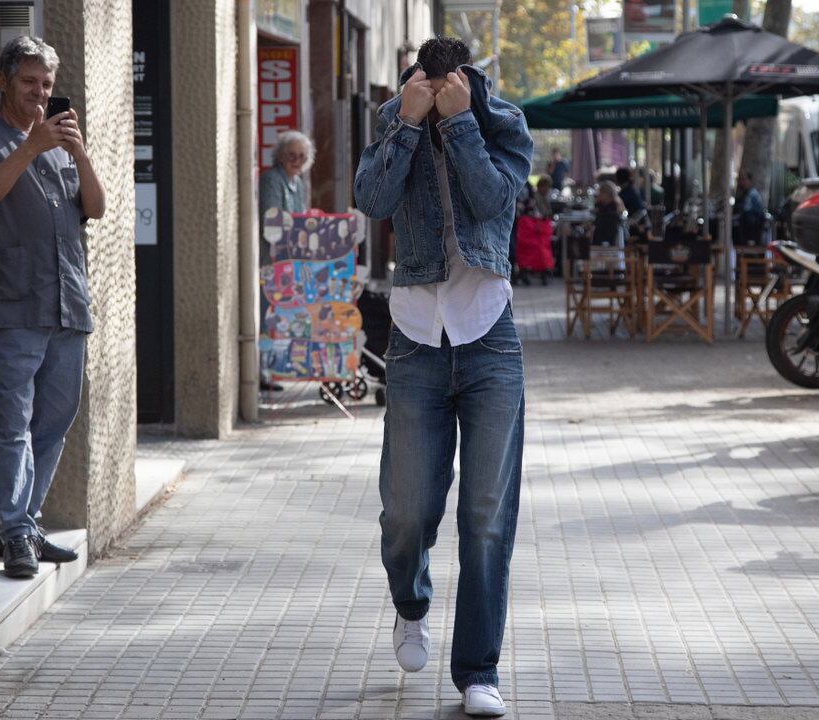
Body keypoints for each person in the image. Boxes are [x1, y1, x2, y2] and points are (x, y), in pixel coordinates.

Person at [354, 36, 533, 717]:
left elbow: (492, 201)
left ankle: (479, 671)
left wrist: (459, 123)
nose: (435, 90)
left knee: (486, 516)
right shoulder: (392, 117)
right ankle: (410, 604)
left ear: (465, 77)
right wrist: (406, 123)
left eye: (447, 82)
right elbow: (372, 200)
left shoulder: (501, 121)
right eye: (426, 84)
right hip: (415, 339)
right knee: (406, 511)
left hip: (490, 337)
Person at [0, 36, 105, 579]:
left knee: (54, 420)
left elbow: (94, 208)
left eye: (47, 84)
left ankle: (28, 523)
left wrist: (79, 151)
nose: (39, 92)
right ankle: (12, 533)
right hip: (14, 304)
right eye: (29, 81)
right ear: (3, 81)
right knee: (13, 422)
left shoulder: (58, 143)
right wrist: (29, 148)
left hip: (67, 304)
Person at [257, 130, 315, 392]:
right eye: (291, 155)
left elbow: (300, 218)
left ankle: (273, 367)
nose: (296, 161)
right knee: (266, 314)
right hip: (271, 260)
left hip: (289, 262)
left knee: (279, 316)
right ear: (280, 156)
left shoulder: (297, 182)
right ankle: (262, 372)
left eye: (302, 156)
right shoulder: (273, 180)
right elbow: (272, 220)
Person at [735, 171, 766, 244]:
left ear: (750, 181)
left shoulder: (752, 194)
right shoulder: (744, 194)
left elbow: (746, 211)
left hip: (752, 230)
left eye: (744, 180)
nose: (741, 182)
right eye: (740, 180)